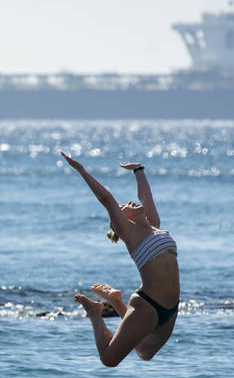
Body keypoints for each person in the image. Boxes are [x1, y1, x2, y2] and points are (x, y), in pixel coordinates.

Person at [60, 152, 180, 366]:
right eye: (123, 207)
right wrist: (81, 170)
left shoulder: (154, 225)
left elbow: (145, 196)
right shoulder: (131, 234)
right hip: (148, 304)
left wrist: (138, 170)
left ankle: (115, 301)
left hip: (170, 306)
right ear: (122, 221)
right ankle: (95, 313)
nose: (129, 204)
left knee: (145, 352)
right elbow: (106, 199)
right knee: (108, 359)